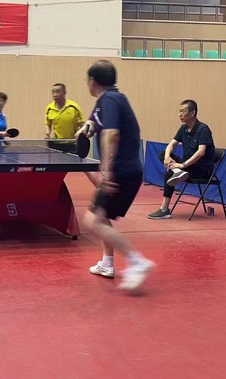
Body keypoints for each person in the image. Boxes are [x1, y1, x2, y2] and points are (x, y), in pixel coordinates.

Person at [79, 60, 154, 291]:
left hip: (120, 171)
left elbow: (111, 134)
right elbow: (94, 122)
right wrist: (87, 127)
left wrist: (106, 170)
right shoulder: (110, 99)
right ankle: (107, 263)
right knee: (101, 216)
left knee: (92, 220)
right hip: (128, 170)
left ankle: (137, 261)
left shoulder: (110, 100)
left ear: (92, 81)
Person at [148, 100, 215, 220]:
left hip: (201, 169)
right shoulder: (183, 128)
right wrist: (167, 157)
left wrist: (183, 165)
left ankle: (165, 208)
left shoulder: (203, 129)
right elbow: (172, 144)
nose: (180, 114)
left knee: (169, 174)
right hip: (187, 166)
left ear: (192, 113)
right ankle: (165, 208)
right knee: (163, 153)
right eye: (179, 111)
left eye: (183, 111)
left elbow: (201, 152)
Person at [44, 83, 85, 152]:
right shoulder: (49, 108)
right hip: (56, 144)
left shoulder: (74, 107)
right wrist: (47, 134)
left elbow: (82, 124)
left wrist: (81, 135)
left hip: (72, 144)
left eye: (58, 92)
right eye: (53, 92)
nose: (55, 94)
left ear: (64, 93)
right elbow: (48, 124)